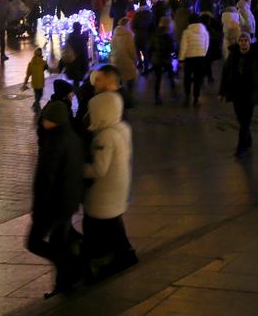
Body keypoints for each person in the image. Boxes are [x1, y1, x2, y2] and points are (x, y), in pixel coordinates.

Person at [28, 100, 84, 297]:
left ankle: (69, 264)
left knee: (34, 242)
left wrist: (38, 209)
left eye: (45, 118)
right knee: (59, 241)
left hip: (53, 204)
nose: (42, 121)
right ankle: (65, 281)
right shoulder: (71, 136)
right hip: (68, 201)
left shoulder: (53, 143)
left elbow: (45, 180)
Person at [82, 92, 138, 279]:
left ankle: (115, 258)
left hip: (104, 192)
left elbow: (99, 169)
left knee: (99, 226)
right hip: (118, 187)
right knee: (113, 225)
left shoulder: (104, 137)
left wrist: (77, 169)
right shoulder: (122, 128)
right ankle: (124, 255)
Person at [218, 32, 258, 158]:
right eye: (241, 40)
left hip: (250, 92)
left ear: (249, 42)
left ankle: (241, 147)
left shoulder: (256, 55)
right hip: (236, 92)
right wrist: (222, 92)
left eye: (245, 40)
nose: (243, 43)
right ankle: (248, 138)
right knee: (241, 119)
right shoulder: (233, 55)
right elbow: (226, 73)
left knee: (246, 120)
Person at [178, 16, 209, 107]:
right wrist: (203, 52)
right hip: (201, 57)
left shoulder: (186, 32)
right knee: (198, 78)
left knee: (187, 78)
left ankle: (187, 97)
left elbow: (183, 46)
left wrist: (181, 59)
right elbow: (206, 44)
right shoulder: (204, 32)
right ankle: (196, 99)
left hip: (189, 58)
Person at [149, 17, 177, 106]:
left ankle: (157, 97)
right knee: (171, 76)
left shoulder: (154, 34)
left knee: (158, 78)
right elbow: (172, 49)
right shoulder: (169, 36)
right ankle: (173, 94)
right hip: (166, 59)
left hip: (156, 59)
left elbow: (150, 48)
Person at [22, 47, 52, 111]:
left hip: (34, 82)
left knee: (37, 94)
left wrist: (25, 83)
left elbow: (27, 75)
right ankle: (36, 106)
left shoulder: (31, 63)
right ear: (41, 54)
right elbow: (48, 69)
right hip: (40, 82)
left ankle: (36, 104)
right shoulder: (43, 62)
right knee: (40, 94)